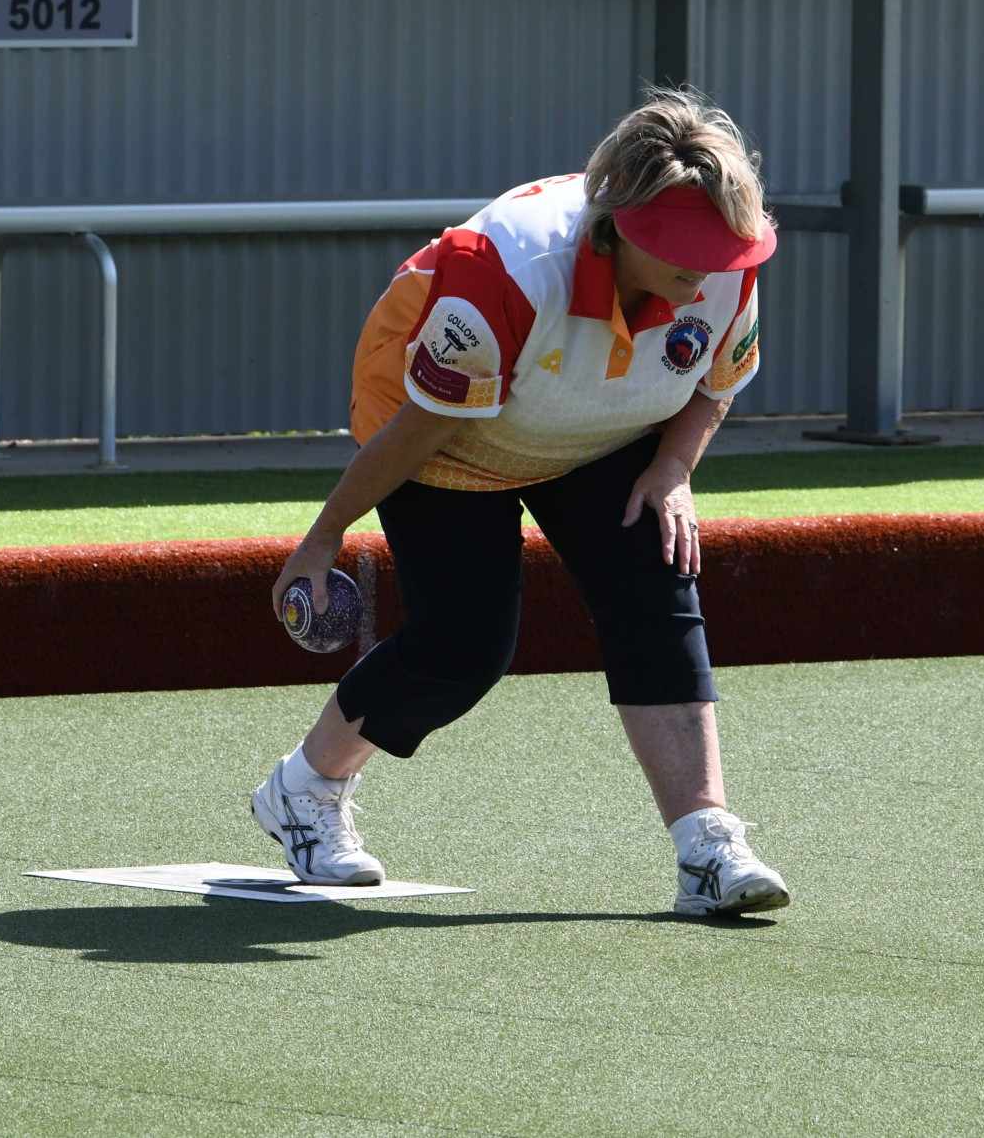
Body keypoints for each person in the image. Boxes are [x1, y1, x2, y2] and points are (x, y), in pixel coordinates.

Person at [254, 87, 790, 917]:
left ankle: (705, 845)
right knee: (461, 648)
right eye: (684, 260)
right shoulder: (503, 269)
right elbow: (414, 429)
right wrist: (324, 537)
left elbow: (716, 381)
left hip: (602, 426)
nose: (704, 280)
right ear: (621, 227)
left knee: (657, 584)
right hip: (449, 428)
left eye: (717, 260)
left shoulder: (722, 264)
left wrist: (675, 466)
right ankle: (304, 786)